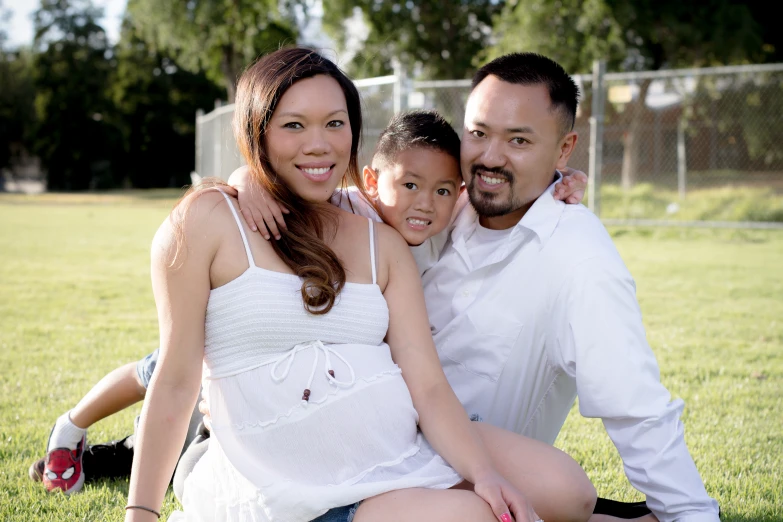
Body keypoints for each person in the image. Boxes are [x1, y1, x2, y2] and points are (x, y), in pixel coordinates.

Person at [125, 47, 596, 522]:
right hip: (287, 484)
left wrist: (484, 473)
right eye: (293, 125)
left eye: (335, 124)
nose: (319, 144)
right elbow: (175, 379)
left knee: (568, 492)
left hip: (393, 448)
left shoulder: (380, 236)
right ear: (256, 130)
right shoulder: (207, 219)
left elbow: (428, 385)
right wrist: (141, 512)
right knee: (476, 517)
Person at [29, 112, 587, 495]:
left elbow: (505, 194)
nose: (425, 203)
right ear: (372, 180)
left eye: (442, 190)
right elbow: (272, 180)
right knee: (162, 374)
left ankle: (108, 459)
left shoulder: (446, 216)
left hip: (315, 382)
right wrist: (247, 180)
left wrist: (559, 182)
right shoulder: (345, 208)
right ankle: (71, 426)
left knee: (201, 438)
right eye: (409, 186)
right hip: (252, 343)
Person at [414, 53, 721, 522]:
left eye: (518, 139)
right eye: (478, 133)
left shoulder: (579, 260)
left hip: (471, 481)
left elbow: (635, 405)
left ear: (563, 149)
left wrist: (691, 514)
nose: (490, 157)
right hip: (381, 439)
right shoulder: (437, 206)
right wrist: (256, 187)